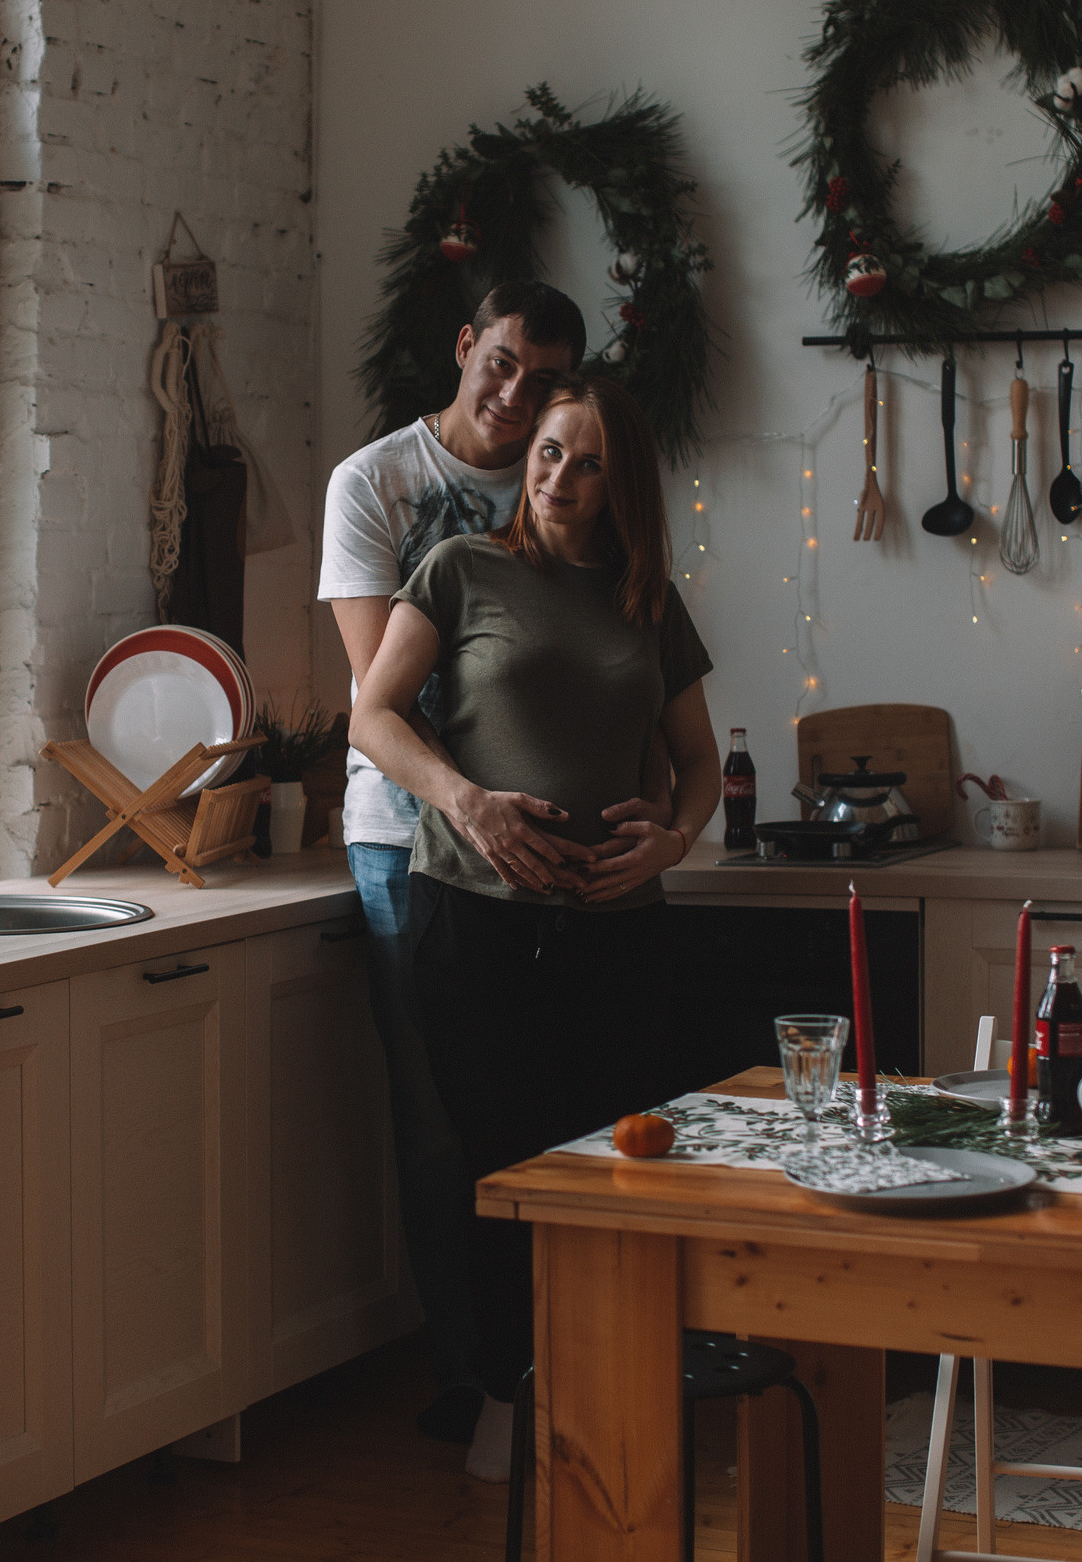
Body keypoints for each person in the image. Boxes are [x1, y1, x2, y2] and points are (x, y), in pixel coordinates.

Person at [349, 373, 721, 1480]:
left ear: (623, 482)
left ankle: (603, 1391)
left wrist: (677, 837)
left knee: (610, 1171)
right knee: (498, 1168)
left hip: (616, 929)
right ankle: (512, 1395)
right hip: (476, 920)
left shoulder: (647, 595)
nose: (558, 477)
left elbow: (698, 761)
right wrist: (464, 801)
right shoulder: (461, 569)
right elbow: (371, 714)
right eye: (549, 452)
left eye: (587, 460)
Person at [317, 280, 586, 1448]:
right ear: (465, 343)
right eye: (502, 364)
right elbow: (380, 693)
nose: (515, 398)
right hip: (406, 835)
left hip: (545, 836)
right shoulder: (373, 484)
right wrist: (471, 804)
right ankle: (467, 1372)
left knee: (547, 1107)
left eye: (542, 381)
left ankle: (554, 1363)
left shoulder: (568, 478)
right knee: (436, 1117)